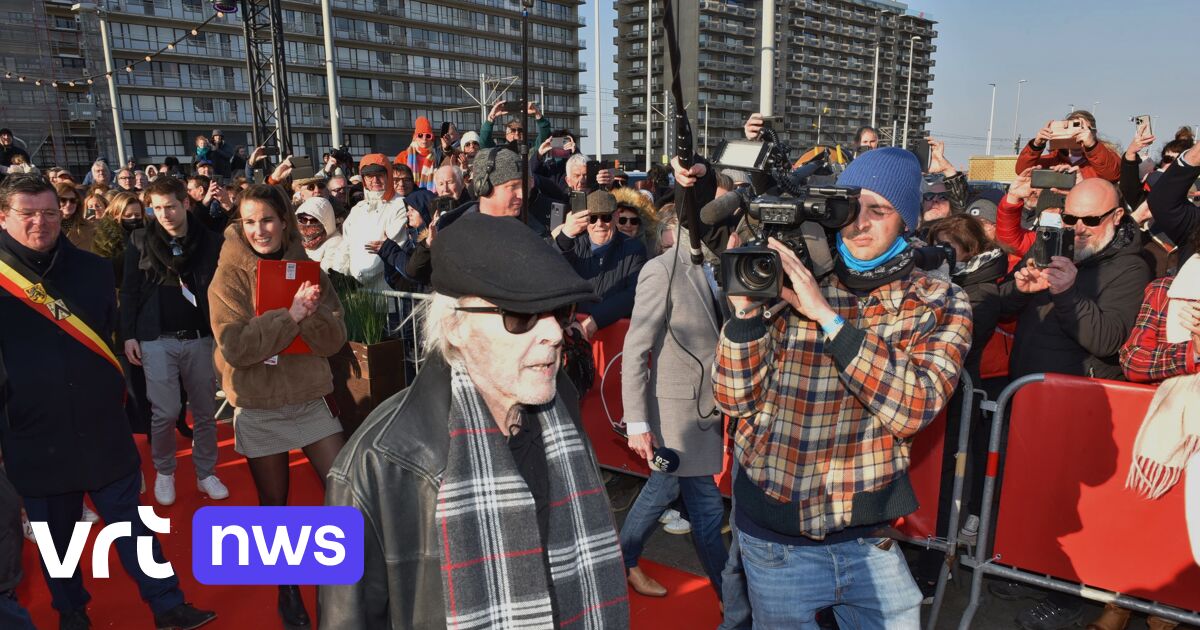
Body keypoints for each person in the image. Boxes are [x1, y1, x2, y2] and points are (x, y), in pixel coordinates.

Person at [320, 211, 629, 629]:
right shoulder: (380, 462)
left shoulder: (563, 409)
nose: (555, 333)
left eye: (561, 310)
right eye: (520, 316)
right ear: (455, 326)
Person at [711, 146, 972, 628]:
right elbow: (733, 399)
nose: (860, 224)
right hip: (775, 536)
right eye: (851, 208)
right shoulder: (791, 276)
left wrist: (828, 319)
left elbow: (913, 407)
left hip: (868, 535)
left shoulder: (938, 299)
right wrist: (746, 317)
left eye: (880, 211)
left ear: (908, 222)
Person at [0, 174, 216, 630]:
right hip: (33, 433)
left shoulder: (93, 270)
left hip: (101, 426)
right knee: (57, 540)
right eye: (28, 214)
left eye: (50, 213)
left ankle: (167, 605)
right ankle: (72, 611)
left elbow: (107, 340)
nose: (41, 222)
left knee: (134, 527)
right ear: (4, 217)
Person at [207, 184, 347, 628]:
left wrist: (311, 312)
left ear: (284, 221)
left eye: (267, 219)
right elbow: (236, 348)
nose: (259, 230)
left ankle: (347, 584)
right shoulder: (227, 275)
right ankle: (287, 588)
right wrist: (288, 318)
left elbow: (333, 340)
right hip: (260, 402)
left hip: (308, 397)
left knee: (346, 489)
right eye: (249, 221)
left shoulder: (307, 268)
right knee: (274, 503)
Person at [618, 222, 728, 601]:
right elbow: (635, 348)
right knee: (705, 509)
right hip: (674, 418)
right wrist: (637, 423)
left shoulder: (718, 268)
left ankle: (623, 560)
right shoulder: (662, 269)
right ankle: (732, 599)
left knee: (667, 491)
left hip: (705, 413)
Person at [121, 176, 226, 507]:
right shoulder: (140, 240)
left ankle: (205, 471)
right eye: (156, 208)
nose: (163, 214)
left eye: (170, 206)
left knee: (206, 412)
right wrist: (128, 335)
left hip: (200, 338)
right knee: (164, 412)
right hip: (155, 339)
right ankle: (165, 471)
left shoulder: (209, 241)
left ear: (185, 204)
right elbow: (130, 290)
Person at [553, 190, 647, 340]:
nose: (599, 224)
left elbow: (634, 292)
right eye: (593, 218)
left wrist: (596, 319)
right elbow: (552, 274)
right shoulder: (573, 244)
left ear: (616, 217)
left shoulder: (634, 248)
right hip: (572, 333)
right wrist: (565, 236)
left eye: (606, 217)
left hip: (614, 338)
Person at [342, 154, 408, 291]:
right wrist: (341, 274)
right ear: (364, 179)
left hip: (386, 289)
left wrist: (361, 277)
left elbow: (394, 246)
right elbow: (346, 245)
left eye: (380, 175)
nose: (375, 180)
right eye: (369, 176)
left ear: (388, 175)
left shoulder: (400, 205)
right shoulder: (357, 209)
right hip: (356, 293)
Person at [1016, 110, 1120, 182]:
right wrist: (1036, 145)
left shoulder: (1106, 157)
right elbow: (1022, 171)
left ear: (1093, 133)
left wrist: (1092, 146)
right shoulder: (1053, 158)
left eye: (1082, 128)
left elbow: (1113, 175)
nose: (1077, 132)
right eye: (1073, 127)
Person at [296, 196, 350, 277]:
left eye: (313, 220)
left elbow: (325, 272)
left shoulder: (335, 242)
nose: (307, 224)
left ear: (325, 221)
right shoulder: (297, 239)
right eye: (303, 219)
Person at [479, 100, 552, 149]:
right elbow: (484, 142)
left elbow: (544, 134)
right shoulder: (498, 152)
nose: (517, 133)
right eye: (513, 130)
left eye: (520, 130)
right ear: (506, 134)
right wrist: (491, 118)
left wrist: (537, 114)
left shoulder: (530, 152)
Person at [393, 116, 439, 191]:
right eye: (420, 135)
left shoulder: (437, 156)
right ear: (415, 137)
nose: (424, 139)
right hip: (407, 194)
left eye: (428, 136)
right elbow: (395, 178)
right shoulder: (403, 156)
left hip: (429, 196)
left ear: (432, 139)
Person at [56, 182, 95, 251]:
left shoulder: (90, 227)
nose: (68, 204)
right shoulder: (46, 227)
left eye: (72, 200)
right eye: (63, 200)